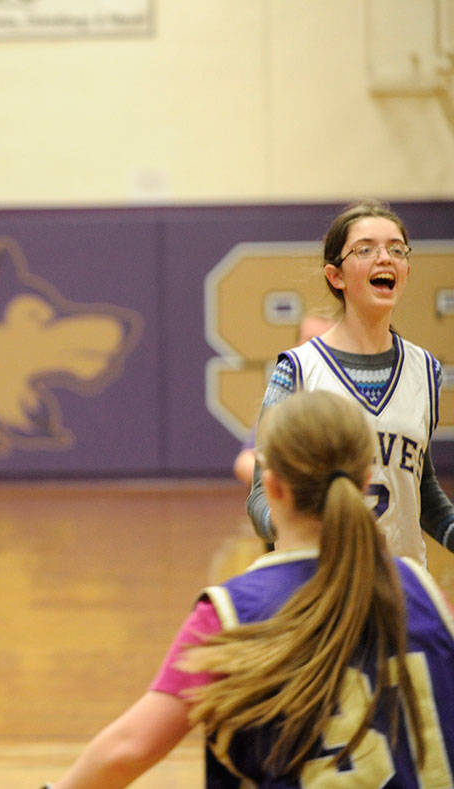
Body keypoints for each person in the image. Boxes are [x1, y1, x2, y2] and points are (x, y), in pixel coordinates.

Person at [48, 390, 454, 787]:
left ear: (271, 485)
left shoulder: (230, 613)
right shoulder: (423, 592)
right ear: (367, 478)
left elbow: (129, 749)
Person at [245, 201, 454, 564]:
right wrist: (294, 530)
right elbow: (261, 494)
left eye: (396, 249)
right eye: (365, 249)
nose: (384, 257)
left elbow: (420, 489)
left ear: (406, 268)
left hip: (397, 587)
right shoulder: (297, 370)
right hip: (319, 586)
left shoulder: (425, 370)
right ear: (335, 276)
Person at [231, 312, 335, 486]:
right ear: (296, 346)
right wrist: (287, 485)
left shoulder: (352, 400)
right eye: (309, 340)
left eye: (325, 342)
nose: (317, 349)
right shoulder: (283, 402)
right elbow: (245, 463)